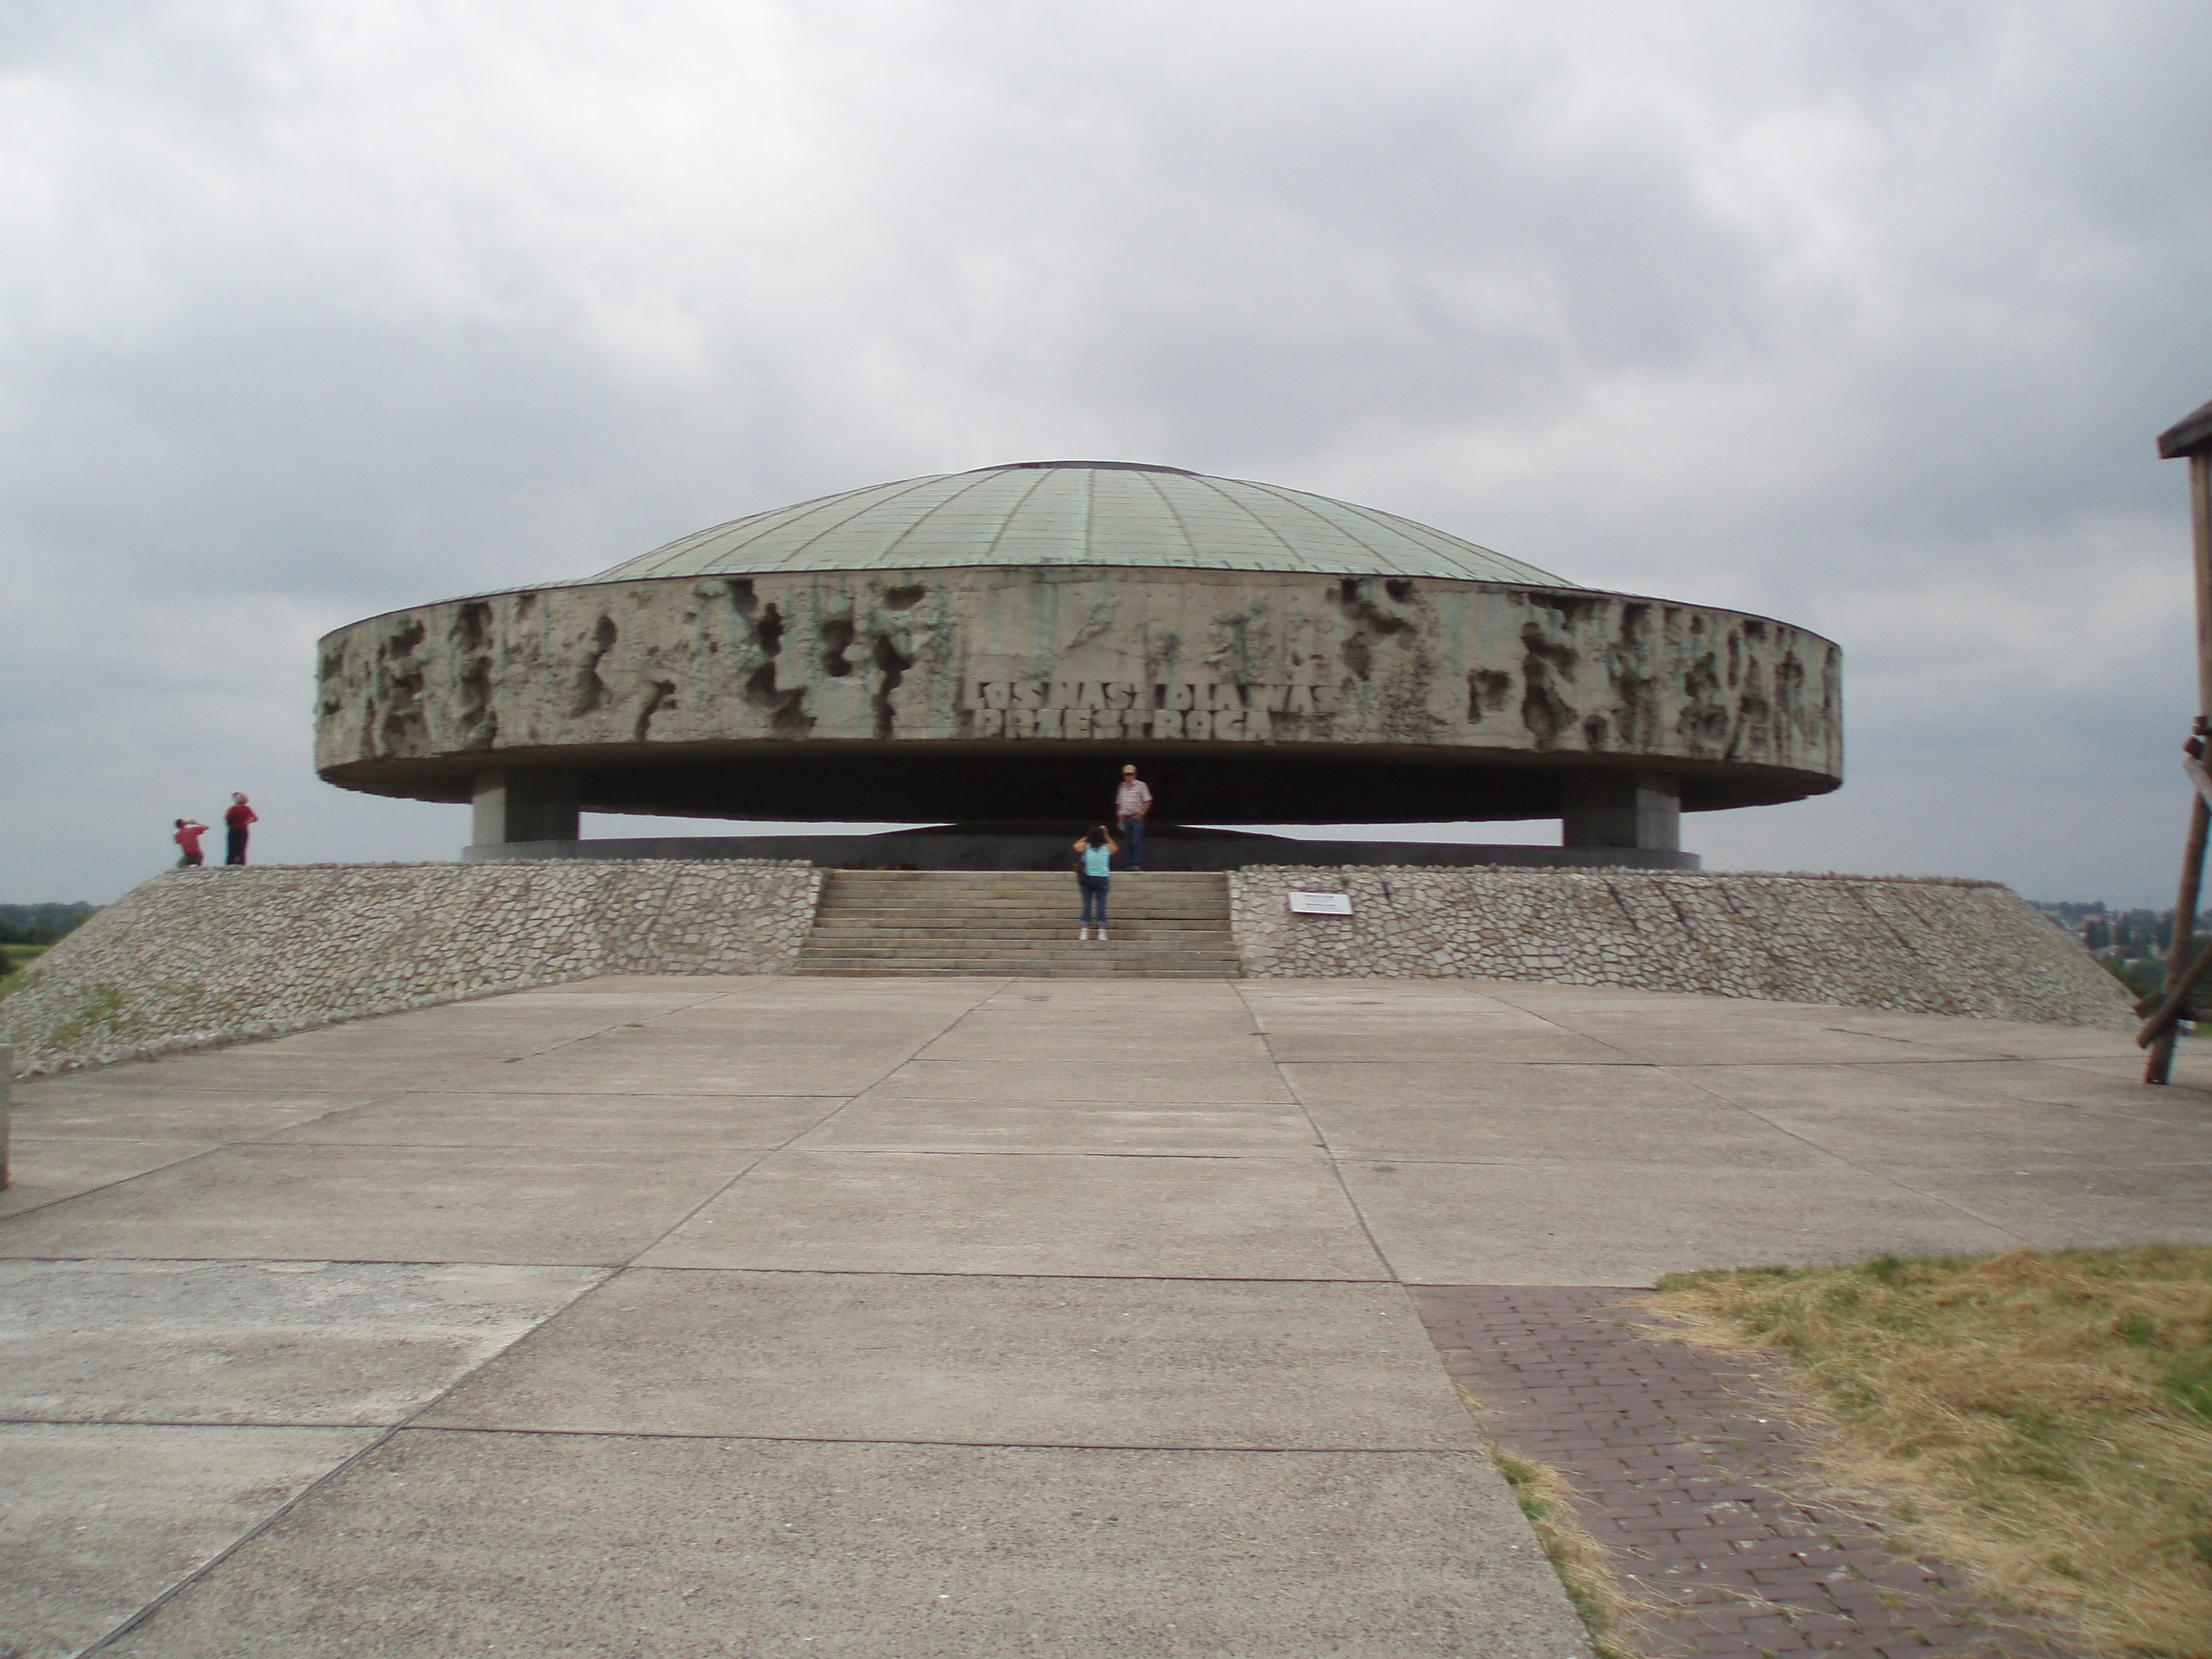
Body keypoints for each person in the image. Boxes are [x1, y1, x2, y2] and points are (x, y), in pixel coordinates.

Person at [1071, 823, 1119, 941]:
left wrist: (1087, 836)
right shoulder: (1106, 848)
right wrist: (1106, 834)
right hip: (1102, 879)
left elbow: (1076, 846)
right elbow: (1115, 848)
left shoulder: (1086, 847)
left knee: (1087, 904)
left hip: (1087, 878)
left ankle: (1084, 930)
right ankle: (1102, 931)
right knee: (1101, 904)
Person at [1115, 764, 1152, 872]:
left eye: (1130, 774)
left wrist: (1142, 813)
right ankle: (1130, 864)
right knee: (1129, 842)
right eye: (1126, 774)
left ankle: (1136, 864)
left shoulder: (1141, 786)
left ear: (1135, 775)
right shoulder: (1121, 787)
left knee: (1136, 841)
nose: (1128, 777)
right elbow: (1119, 801)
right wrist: (1119, 812)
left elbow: (1148, 800)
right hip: (1125, 818)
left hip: (1136, 818)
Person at [223, 793, 258, 866]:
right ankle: (241, 864)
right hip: (243, 830)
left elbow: (226, 818)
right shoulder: (247, 809)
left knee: (231, 848)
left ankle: (230, 864)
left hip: (233, 830)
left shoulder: (232, 809)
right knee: (242, 849)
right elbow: (255, 818)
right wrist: (247, 821)